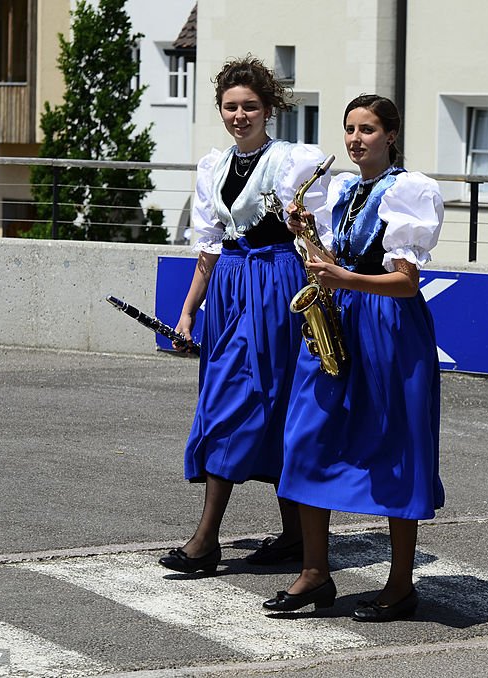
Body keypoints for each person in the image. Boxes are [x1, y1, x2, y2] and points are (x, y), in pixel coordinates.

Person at [262, 94, 444, 622]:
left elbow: (407, 284)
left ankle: (400, 583)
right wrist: (306, 238)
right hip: (336, 320)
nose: (355, 139)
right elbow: (328, 264)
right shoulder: (342, 191)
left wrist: (345, 278)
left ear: (391, 134)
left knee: (395, 445)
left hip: (388, 327)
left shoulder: (411, 190)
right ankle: (316, 572)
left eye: (367, 129)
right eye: (349, 129)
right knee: (304, 438)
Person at [158, 56, 331, 574]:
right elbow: (208, 250)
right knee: (223, 404)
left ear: (268, 109)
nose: (239, 115)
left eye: (249, 106)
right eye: (231, 106)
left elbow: (315, 241)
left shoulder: (293, 162)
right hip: (232, 288)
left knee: (274, 404)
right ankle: (234, 536)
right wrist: (189, 313)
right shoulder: (213, 167)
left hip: (279, 286)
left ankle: (226, 539)